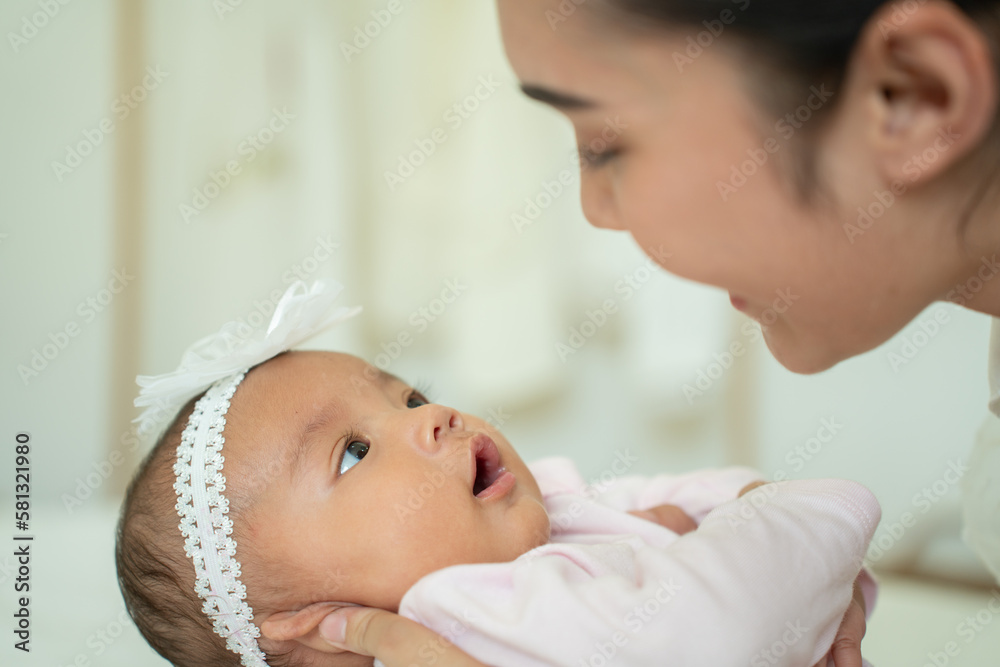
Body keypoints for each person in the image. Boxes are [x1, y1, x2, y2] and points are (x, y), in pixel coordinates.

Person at [116, 282, 879, 667]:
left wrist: (749, 513)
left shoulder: (532, 524)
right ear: (315, 622)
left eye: (405, 393)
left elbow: (660, 497)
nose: (433, 414)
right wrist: (794, 516)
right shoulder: (467, 617)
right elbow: (725, 625)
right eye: (353, 451)